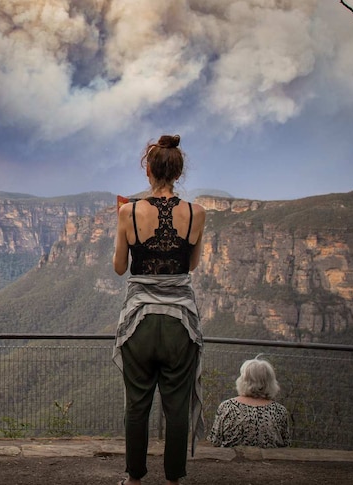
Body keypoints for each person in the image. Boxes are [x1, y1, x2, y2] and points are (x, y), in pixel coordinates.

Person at [111, 134, 207, 485]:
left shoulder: (129, 211)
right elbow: (191, 266)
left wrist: (122, 229)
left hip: (140, 321)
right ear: (178, 172)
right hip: (180, 321)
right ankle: (174, 479)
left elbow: (120, 267)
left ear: (148, 170)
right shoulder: (197, 212)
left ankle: (135, 478)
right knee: (176, 406)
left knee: (137, 405)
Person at [208, 356, 291, 448]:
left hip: (232, 460)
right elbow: (285, 444)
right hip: (269, 460)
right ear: (270, 382)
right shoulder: (279, 411)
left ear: (242, 380)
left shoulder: (227, 407)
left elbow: (215, 441)